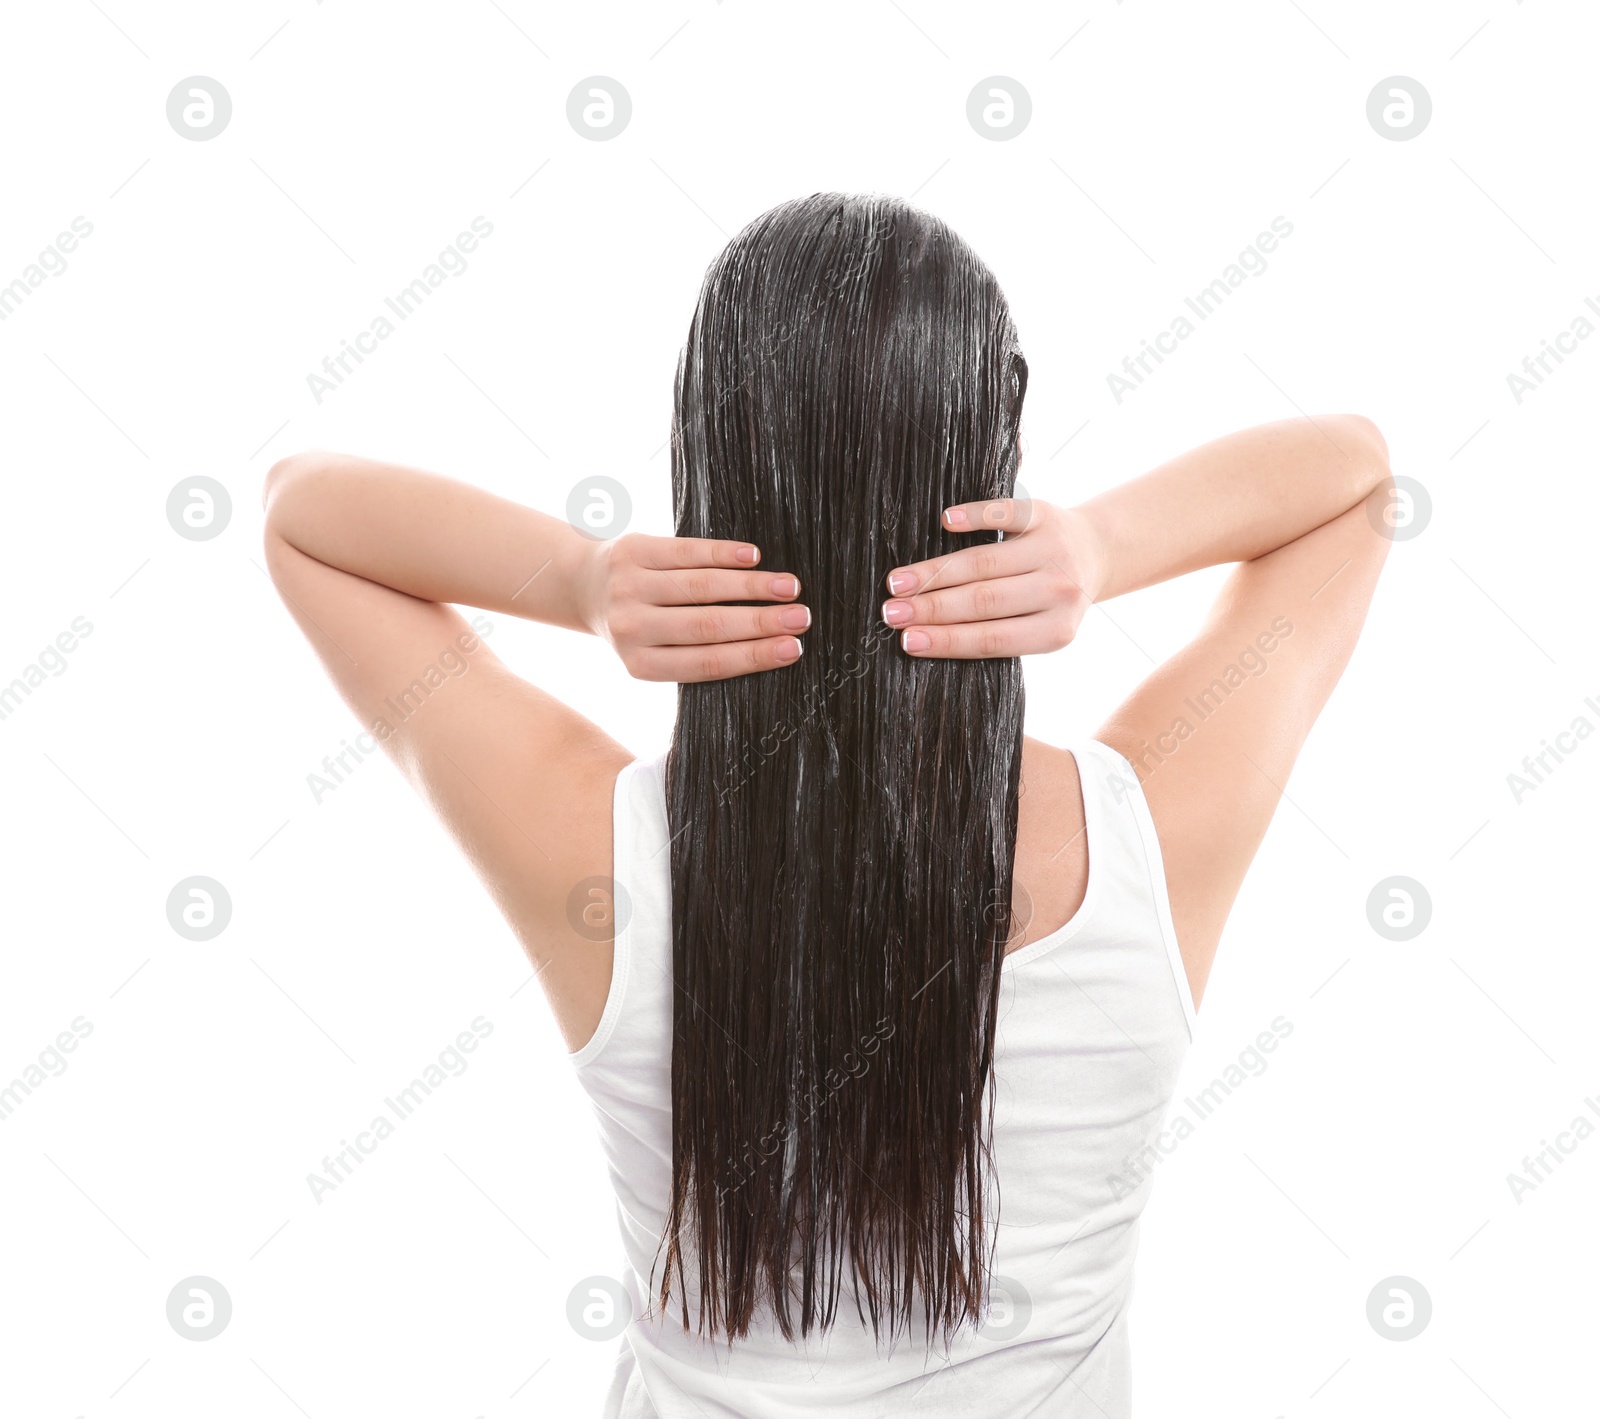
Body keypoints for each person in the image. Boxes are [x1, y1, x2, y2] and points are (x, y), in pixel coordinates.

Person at [263, 193, 1393, 1417]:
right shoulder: (1144, 832)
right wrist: (1101, 548)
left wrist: (584, 581)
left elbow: (301, 514)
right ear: (996, 436)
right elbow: (1354, 476)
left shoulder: (591, 849)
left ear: (706, 456)